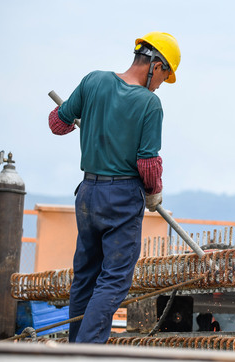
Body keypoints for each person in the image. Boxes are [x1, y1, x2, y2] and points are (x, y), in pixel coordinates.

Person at [48, 32, 181, 343]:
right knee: (114, 280)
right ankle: (88, 351)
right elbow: (147, 163)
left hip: (88, 195)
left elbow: (58, 124)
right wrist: (153, 192)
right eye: (164, 76)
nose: (161, 84)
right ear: (156, 65)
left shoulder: (94, 81)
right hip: (120, 198)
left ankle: (74, 349)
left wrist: (88, 116)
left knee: (85, 276)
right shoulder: (149, 104)